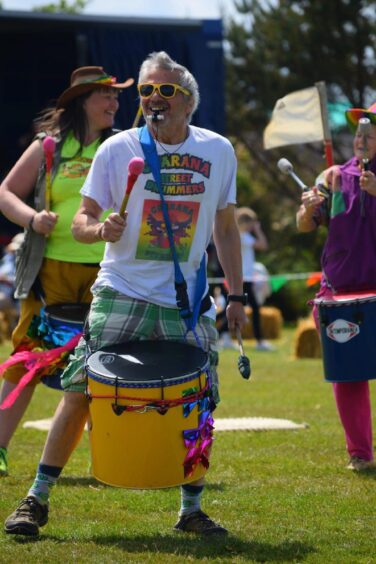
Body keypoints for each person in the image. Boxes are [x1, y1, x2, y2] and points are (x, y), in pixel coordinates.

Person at [4, 50, 247, 537]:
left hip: (187, 297)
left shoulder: (217, 150)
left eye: (165, 90)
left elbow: (224, 224)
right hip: (122, 289)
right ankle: (37, 498)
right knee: (80, 390)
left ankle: (190, 509)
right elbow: (82, 218)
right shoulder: (117, 151)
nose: (154, 99)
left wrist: (237, 296)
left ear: (188, 100)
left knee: (197, 397)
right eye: (146, 91)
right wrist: (100, 231)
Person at [0, 66, 134, 477]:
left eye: (115, 97)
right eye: (105, 96)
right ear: (81, 102)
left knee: (105, 363)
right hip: (50, 273)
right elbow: (5, 193)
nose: (114, 103)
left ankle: (107, 458)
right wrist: (32, 218)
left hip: (107, 272)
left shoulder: (121, 148)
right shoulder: (48, 148)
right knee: (26, 359)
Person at [296, 101, 376, 472]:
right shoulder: (333, 176)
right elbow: (305, 226)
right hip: (339, 292)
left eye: (371, 130)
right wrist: (309, 208)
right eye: (360, 129)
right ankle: (360, 453)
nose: (363, 136)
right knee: (348, 376)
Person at [236, 207, 274, 351]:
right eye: (252, 223)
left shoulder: (241, 236)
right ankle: (259, 341)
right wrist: (258, 231)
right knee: (255, 308)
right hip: (244, 278)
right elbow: (263, 245)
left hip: (245, 277)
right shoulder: (244, 236)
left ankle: (223, 335)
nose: (253, 226)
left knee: (238, 306)